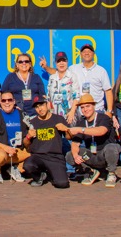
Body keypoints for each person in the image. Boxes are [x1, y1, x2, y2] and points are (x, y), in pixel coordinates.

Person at [67, 94, 121, 187]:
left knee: (111, 147)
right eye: (82, 107)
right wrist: (76, 155)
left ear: (94, 106)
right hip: (91, 155)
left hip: (105, 154)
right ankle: (91, 171)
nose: (85, 109)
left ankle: (111, 173)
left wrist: (81, 129)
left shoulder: (104, 118)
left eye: (88, 106)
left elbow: (101, 131)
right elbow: (75, 143)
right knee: (70, 155)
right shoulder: (81, 122)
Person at [22, 96, 71, 188]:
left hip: (55, 157)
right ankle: (39, 176)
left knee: (62, 184)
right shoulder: (32, 122)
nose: (40, 109)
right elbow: (26, 144)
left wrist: (66, 129)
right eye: (37, 107)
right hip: (38, 156)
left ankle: (52, 174)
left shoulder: (58, 119)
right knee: (28, 165)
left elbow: (69, 137)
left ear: (47, 105)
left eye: (42, 105)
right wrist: (28, 137)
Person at [45, 51, 80, 179]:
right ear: (56, 63)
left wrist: (72, 112)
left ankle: (71, 168)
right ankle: (59, 167)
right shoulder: (52, 77)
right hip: (55, 114)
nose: (61, 63)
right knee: (57, 142)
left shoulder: (72, 76)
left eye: (63, 61)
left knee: (69, 140)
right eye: (59, 61)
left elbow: (77, 95)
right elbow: (49, 96)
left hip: (68, 114)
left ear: (67, 62)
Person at [0, 91, 30, 183]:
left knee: (39, 153)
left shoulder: (21, 114)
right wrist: (5, 147)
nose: (7, 102)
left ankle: (15, 168)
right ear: (0, 102)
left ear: (14, 101)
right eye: (4, 100)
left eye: (9, 100)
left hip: (17, 149)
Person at [68, 43, 114, 118]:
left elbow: (108, 91)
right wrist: (46, 67)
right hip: (80, 111)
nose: (86, 53)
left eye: (89, 51)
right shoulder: (73, 68)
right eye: (84, 51)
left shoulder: (101, 71)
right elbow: (60, 72)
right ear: (81, 54)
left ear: (93, 54)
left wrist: (109, 111)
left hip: (97, 110)